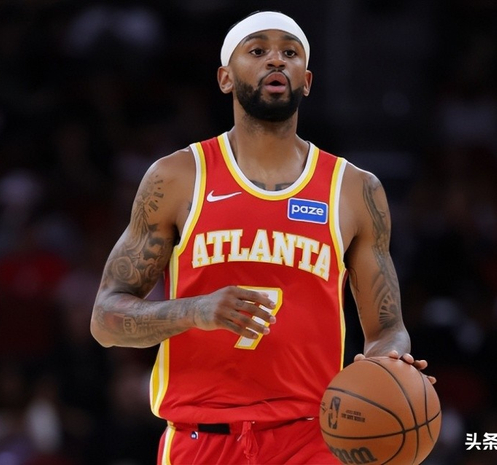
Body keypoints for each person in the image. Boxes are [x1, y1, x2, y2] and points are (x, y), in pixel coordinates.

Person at [91, 10, 433, 465]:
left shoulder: (354, 189)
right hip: (201, 439)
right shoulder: (176, 177)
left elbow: (387, 329)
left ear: (306, 81)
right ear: (225, 78)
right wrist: (196, 310)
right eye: (258, 51)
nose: (276, 60)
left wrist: (389, 364)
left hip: (312, 440)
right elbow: (105, 319)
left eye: (290, 53)